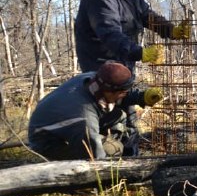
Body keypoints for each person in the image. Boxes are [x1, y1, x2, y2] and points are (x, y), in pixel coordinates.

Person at [74, 0, 190, 155]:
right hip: (102, 69)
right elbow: (111, 35)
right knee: (112, 119)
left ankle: (130, 160)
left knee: (128, 117)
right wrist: (140, 53)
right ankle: (109, 166)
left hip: (123, 65)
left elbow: (147, 15)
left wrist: (171, 31)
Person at [28, 62, 163, 160]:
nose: (125, 94)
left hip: (61, 125)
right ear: (109, 91)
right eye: (123, 92)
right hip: (46, 142)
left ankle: (118, 152)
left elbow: (119, 94)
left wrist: (141, 97)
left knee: (118, 116)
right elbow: (96, 157)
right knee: (113, 149)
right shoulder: (83, 116)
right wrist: (111, 176)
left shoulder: (95, 79)